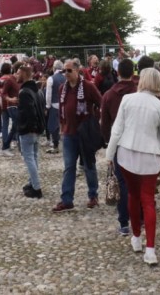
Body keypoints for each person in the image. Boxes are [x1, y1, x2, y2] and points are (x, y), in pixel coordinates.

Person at [105, 67, 160, 266]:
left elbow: (116, 130)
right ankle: (150, 250)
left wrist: (109, 155)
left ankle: (136, 237)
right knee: (148, 201)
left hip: (126, 153)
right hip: (150, 156)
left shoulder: (127, 100)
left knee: (133, 196)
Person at [52, 59, 102, 213]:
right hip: (69, 133)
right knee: (69, 167)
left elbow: (101, 103)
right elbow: (61, 108)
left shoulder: (88, 86)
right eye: (64, 71)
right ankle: (67, 199)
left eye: (69, 71)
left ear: (77, 70)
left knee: (89, 165)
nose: (66, 74)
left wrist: (95, 121)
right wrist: (61, 126)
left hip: (85, 133)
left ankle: (93, 195)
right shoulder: (62, 88)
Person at [100, 58, 139, 236]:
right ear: (133, 72)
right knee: (139, 181)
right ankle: (141, 218)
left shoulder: (109, 95)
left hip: (119, 143)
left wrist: (109, 143)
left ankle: (124, 222)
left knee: (123, 182)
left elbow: (105, 123)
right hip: (139, 142)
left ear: (118, 72)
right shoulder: (139, 92)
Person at [16, 63, 47, 199]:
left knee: (29, 159)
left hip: (28, 130)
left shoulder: (24, 93)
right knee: (33, 158)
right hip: (36, 129)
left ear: (23, 73)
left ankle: (36, 187)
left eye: (18, 72)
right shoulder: (37, 90)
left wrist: (25, 129)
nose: (16, 75)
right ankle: (32, 183)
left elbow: (29, 113)